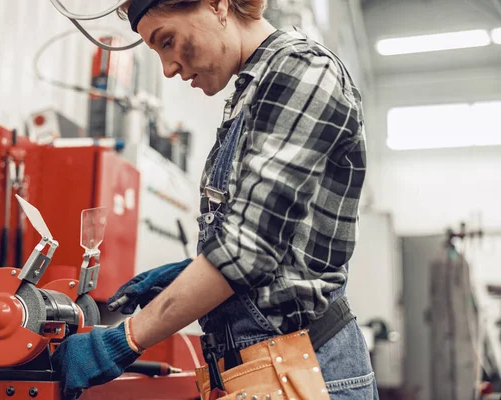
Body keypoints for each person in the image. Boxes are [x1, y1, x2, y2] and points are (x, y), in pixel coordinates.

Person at [51, 0, 376, 398]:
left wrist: (123, 340)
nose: (168, 68)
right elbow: (274, 247)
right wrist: (187, 274)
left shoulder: (304, 72)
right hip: (263, 372)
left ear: (218, 5)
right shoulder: (251, 90)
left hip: (310, 373)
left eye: (167, 41)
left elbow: (249, 252)